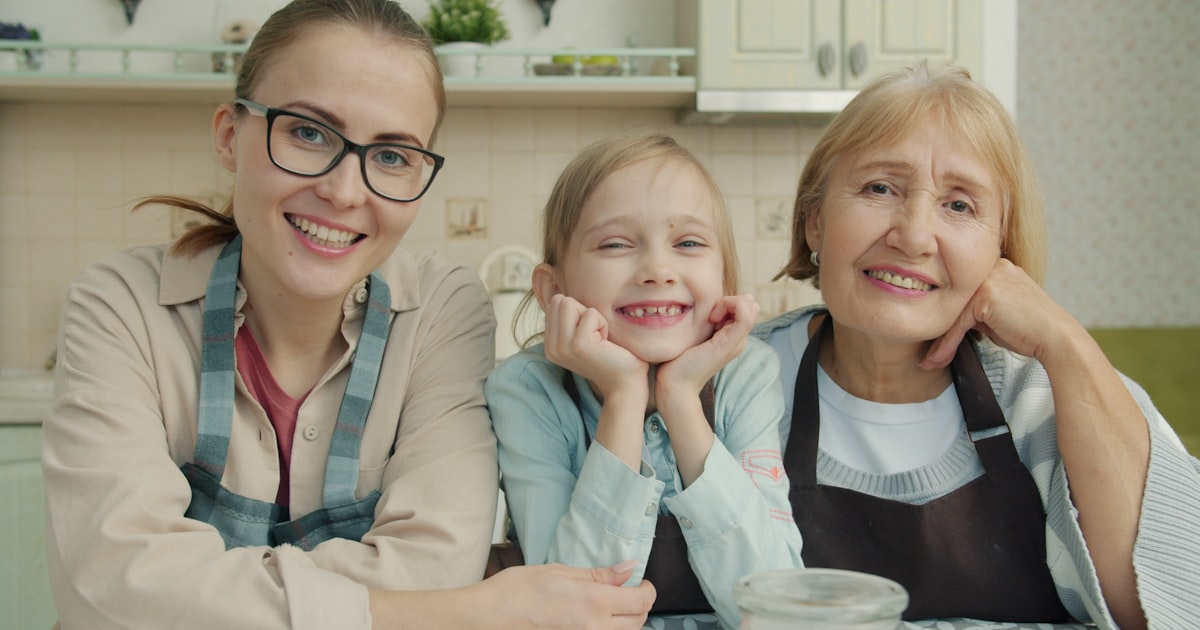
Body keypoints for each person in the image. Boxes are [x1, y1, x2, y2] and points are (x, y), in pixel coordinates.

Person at [40, 1, 654, 628]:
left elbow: (437, 571)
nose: (344, 191)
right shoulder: (122, 303)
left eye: (391, 156)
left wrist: (194, 592)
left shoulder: (442, 310)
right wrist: (467, 612)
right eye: (307, 133)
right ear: (230, 135)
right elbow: (110, 591)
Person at [752, 61, 1200, 629]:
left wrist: (1065, 343)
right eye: (879, 187)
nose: (913, 235)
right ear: (815, 222)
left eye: (959, 205)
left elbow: (1177, 606)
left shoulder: (1049, 395)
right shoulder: (732, 383)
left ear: (1000, 251)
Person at [485, 133, 804, 630]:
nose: (658, 269)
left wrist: (679, 399)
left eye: (689, 243)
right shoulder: (526, 390)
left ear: (724, 277)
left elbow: (776, 607)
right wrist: (624, 397)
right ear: (554, 290)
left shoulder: (747, 374)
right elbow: (564, 613)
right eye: (615, 244)